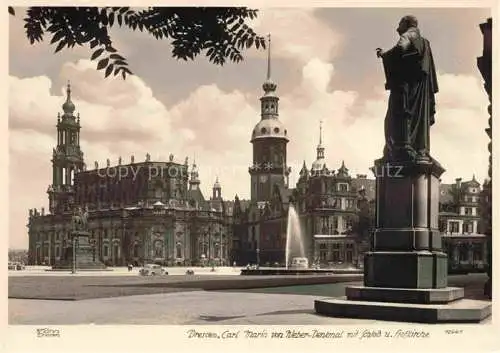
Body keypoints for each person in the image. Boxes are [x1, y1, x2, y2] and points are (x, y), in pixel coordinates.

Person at [376, 15, 438, 162]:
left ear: (406, 24)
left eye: (400, 24)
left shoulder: (407, 35)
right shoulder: (424, 42)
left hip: (406, 88)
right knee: (419, 119)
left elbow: (399, 49)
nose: (397, 28)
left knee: (394, 119)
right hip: (421, 90)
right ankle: (421, 149)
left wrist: (384, 54)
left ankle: (400, 149)